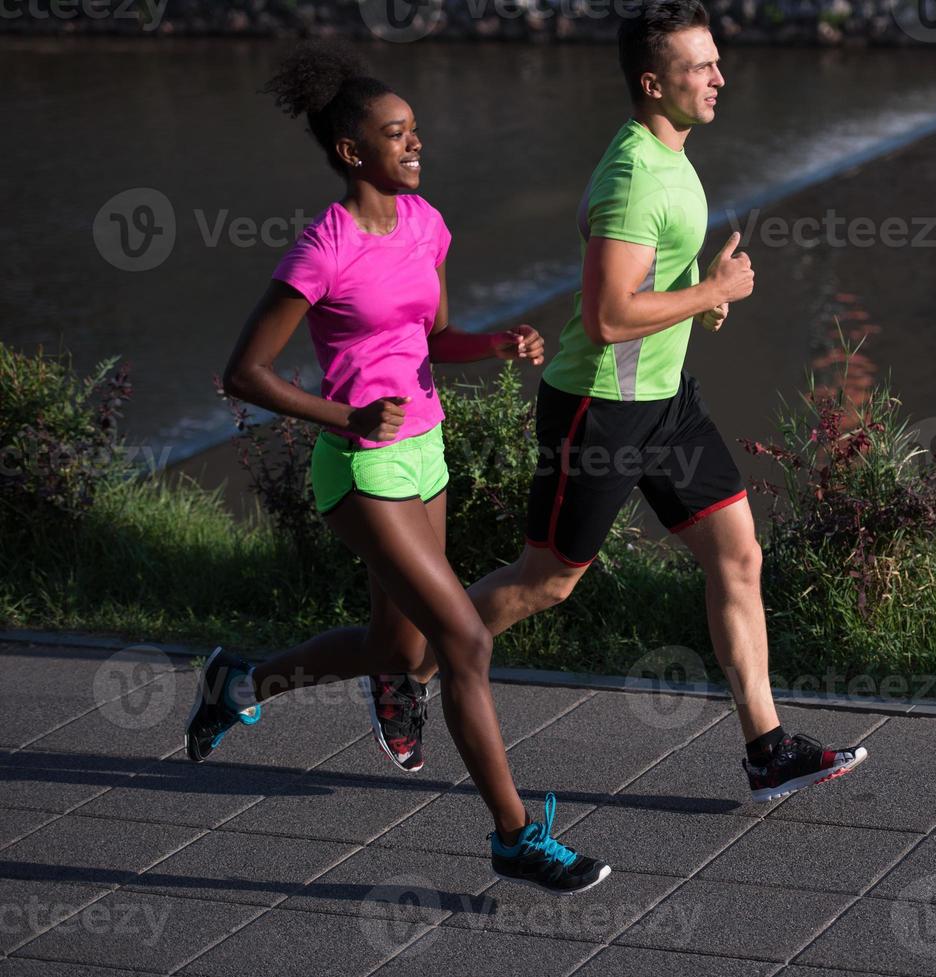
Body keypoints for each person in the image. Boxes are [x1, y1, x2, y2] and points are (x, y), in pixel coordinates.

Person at [376, 0, 869, 803]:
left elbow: (644, 291)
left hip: (666, 402)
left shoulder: (673, 153)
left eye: (717, 60)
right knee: (547, 582)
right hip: (598, 410)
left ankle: (766, 747)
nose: (720, 76)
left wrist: (696, 297)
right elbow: (605, 319)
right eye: (700, 66)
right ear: (653, 82)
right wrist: (710, 287)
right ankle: (408, 669)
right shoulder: (637, 174)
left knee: (739, 556)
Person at [184, 41, 610, 894]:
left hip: (426, 450)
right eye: (397, 134)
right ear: (352, 153)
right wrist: (346, 416)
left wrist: (495, 343)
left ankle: (243, 679)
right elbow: (245, 373)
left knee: (394, 644)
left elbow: (430, 336)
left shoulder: (426, 222)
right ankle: (514, 835)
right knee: (462, 641)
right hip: (361, 466)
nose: (416, 146)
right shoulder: (324, 247)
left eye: (416, 131)